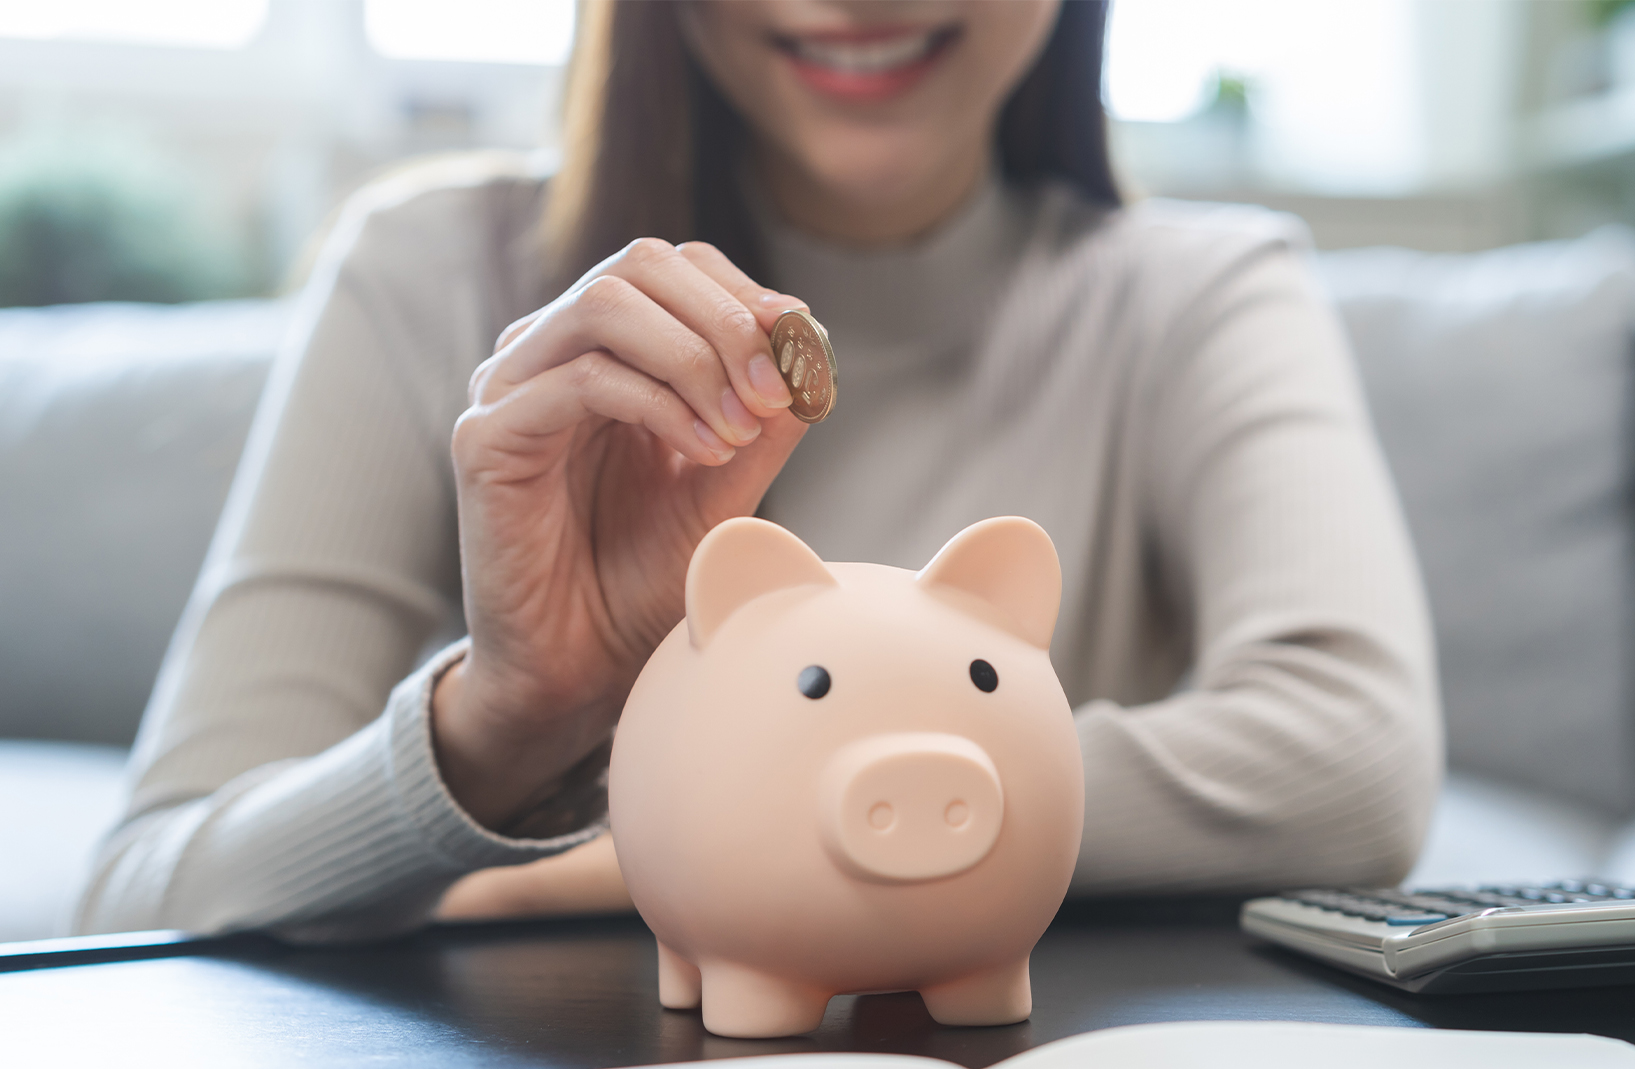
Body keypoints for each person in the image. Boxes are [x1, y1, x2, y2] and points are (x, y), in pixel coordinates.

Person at [78, 0, 1440, 940]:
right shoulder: (421, 274)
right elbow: (142, 891)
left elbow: (1353, 762)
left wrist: (666, 842)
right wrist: (508, 723)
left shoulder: (1205, 293)